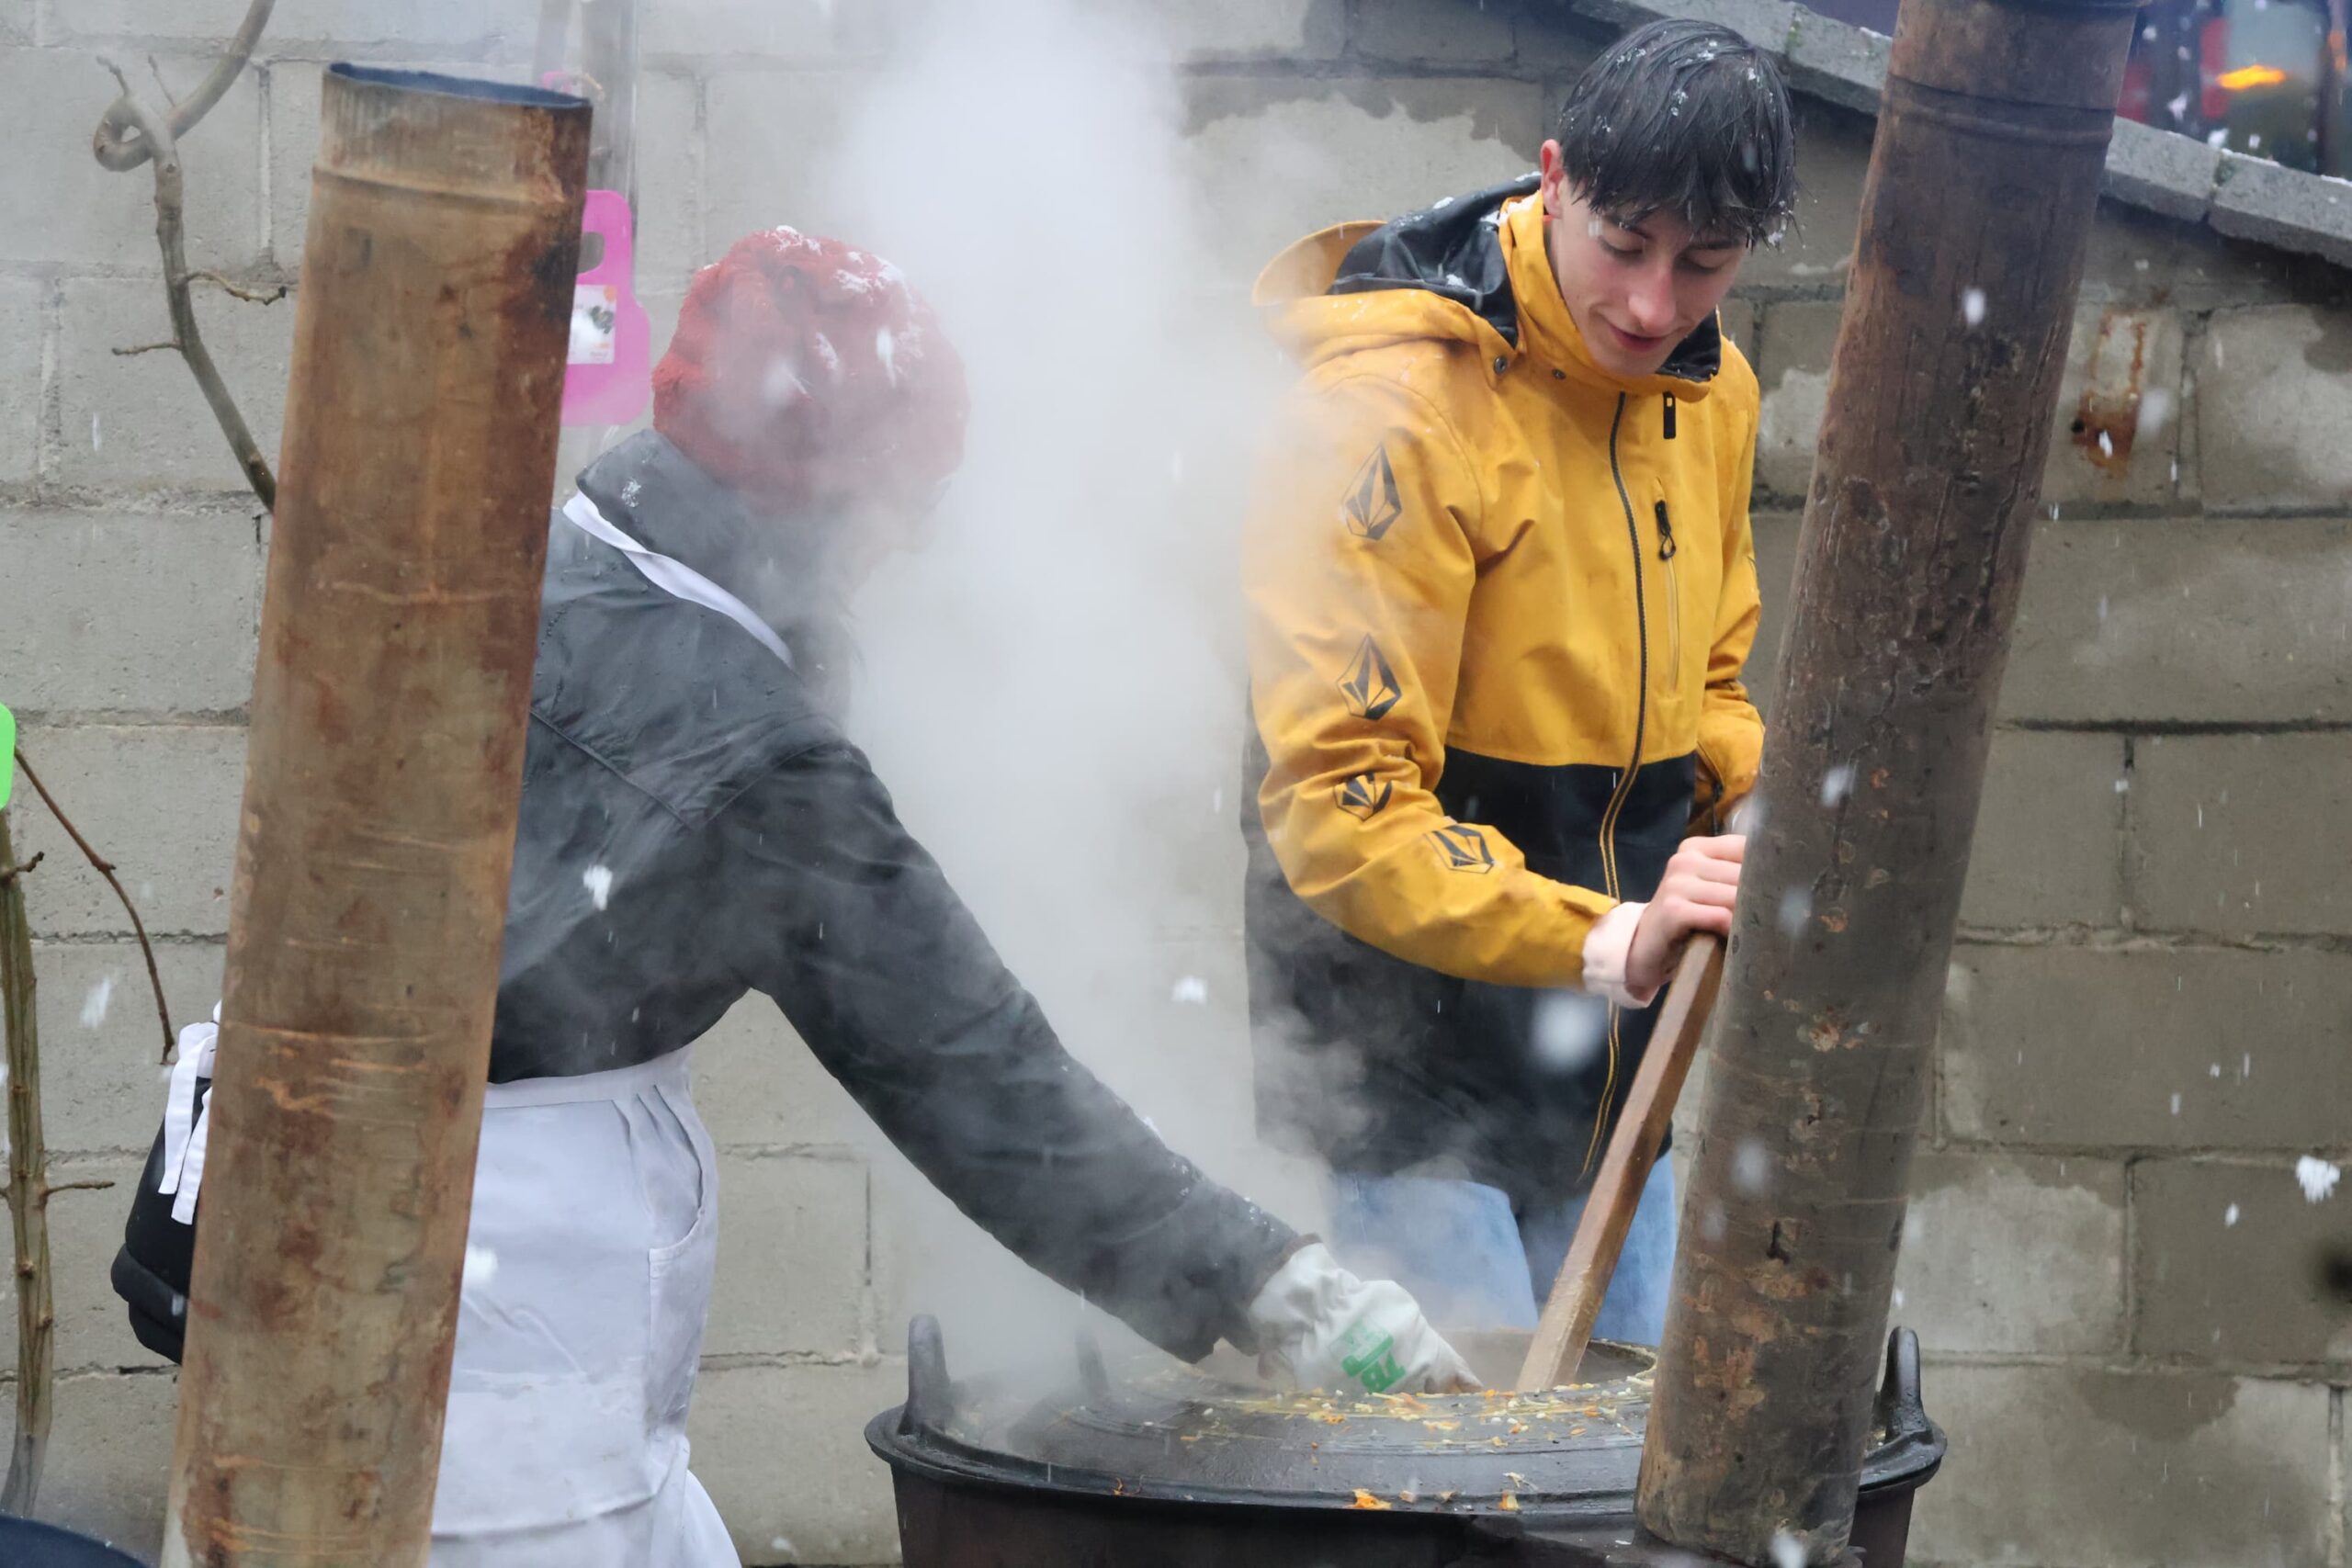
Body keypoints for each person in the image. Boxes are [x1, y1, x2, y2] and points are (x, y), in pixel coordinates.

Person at [114, 226, 1472, 1566]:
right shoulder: (749, 757)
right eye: (903, 502)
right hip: (488, 1332)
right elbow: (977, 1073)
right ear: (819, 499)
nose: (915, 540)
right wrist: (1276, 1284)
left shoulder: (546, 558)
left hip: (338, 1264)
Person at [1238, 21, 1797, 1344]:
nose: (1654, 307)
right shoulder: (1391, 408)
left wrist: (1735, 825)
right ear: (1551, 177)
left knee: (1630, 1490)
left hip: (1617, 1064)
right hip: (1409, 1065)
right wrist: (1610, 937)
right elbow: (1342, 798)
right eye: (1624, 244)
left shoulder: (1711, 399)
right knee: (1467, 1502)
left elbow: (1717, 685)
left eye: (1704, 265)